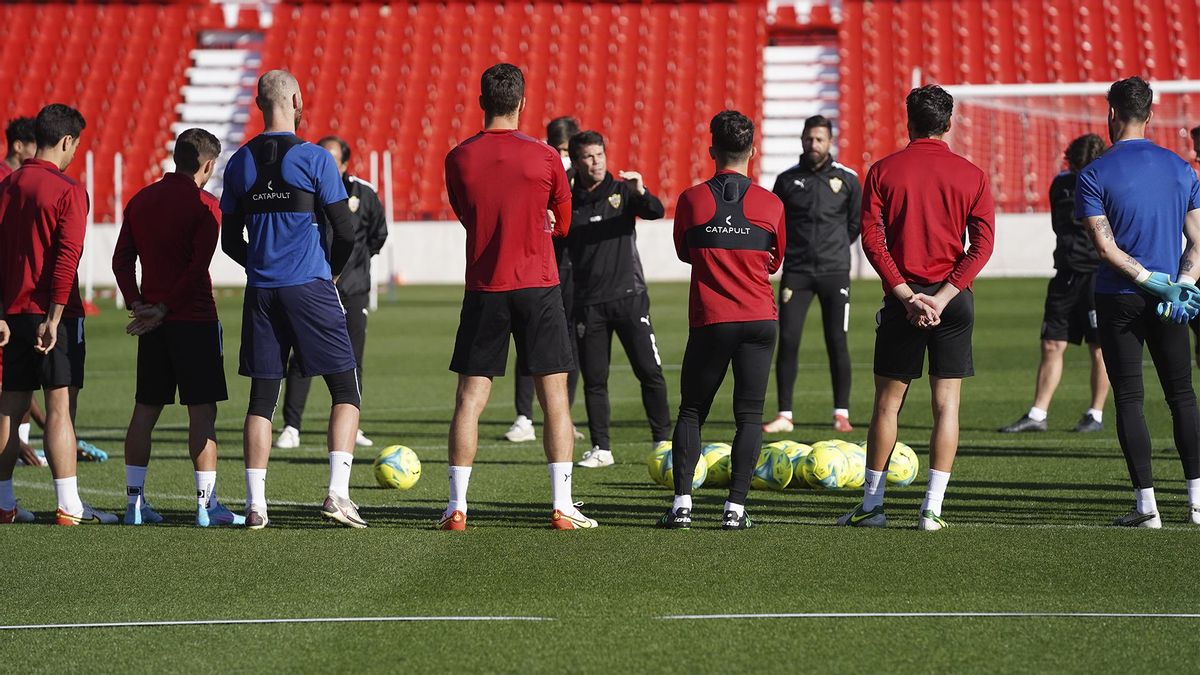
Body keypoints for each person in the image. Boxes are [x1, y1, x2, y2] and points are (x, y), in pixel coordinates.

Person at [442, 63, 595, 530]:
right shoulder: (547, 156)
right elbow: (564, 224)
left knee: (470, 398)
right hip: (538, 285)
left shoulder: (458, 158)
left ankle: (457, 506)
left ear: (482, 101)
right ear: (522, 103)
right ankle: (562, 505)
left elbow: (467, 216)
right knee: (555, 399)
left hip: (485, 286)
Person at [841, 85, 995, 531]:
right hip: (952, 301)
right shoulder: (972, 174)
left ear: (908, 122)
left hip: (903, 300)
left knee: (888, 406)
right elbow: (981, 246)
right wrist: (944, 297)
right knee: (946, 406)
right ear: (948, 124)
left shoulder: (883, 170)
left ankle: (873, 506)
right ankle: (932, 509)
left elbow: (872, 238)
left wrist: (907, 295)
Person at [220, 70, 366, 530]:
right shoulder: (316, 158)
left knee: (262, 397)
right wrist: (333, 270)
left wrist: (259, 263)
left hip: (262, 290)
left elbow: (229, 241)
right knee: (345, 389)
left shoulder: (239, 162)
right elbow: (345, 230)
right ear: (297, 100)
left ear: (260, 103)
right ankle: (337, 495)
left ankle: (256, 506)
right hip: (310, 286)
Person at [1078, 77, 1200, 528]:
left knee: (1129, 397)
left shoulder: (1093, 172)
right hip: (1172, 301)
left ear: (1111, 114)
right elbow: (1198, 240)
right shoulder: (1181, 168)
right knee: (1182, 395)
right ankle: (1196, 503)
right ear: (1150, 116)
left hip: (1120, 298)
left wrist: (1154, 282)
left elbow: (1106, 249)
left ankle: (1147, 507)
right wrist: (1182, 284)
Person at [659, 110, 786, 530]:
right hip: (758, 319)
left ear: (711, 150)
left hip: (712, 319)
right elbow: (774, 261)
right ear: (752, 150)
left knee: (692, 411)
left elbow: (684, 252)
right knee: (749, 416)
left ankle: (682, 506)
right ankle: (735, 509)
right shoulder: (771, 204)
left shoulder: (691, 200)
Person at [112, 128, 244, 527]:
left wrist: (140, 304)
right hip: (194, 320)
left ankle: (134, 504)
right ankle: (206, 506)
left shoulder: (141, 200)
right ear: (207, 164)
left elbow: (121, 261)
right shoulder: (206, 206)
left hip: (153, 323)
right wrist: (166, 307)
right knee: (201, 413)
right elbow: (196, 267)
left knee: (145, 411)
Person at [0, 104, 116, 525]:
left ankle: (4, 502)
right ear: (67, 141)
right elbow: (67, 257)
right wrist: (54, 315)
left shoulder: (8, 185)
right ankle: (69, 505)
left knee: (10, 408)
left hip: (12, 312)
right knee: (60, 408)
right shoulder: (67, 189)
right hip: (55, 315)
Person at [566, 130, 672, 469]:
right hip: (588, 304)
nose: (596, 162)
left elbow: (655, 210)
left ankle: (663, 442)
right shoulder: (568, 200)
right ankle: (602, 448)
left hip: (630, 298)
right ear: (577, 161)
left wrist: (642, 190)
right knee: (595, 380)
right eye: (588, 157)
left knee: (650, 372)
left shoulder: (623, 191)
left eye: (600, 155)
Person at [275, 135, 388, 451]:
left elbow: (378, 234)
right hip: (312, 286)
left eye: (332, 159)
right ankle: (291, 426)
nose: (324, 164)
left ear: (344, 163)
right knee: (301, 357)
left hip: (352, 290)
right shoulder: (304, 191)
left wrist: (355, 267)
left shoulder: (363, 194)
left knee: (353, 358)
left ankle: (352, 425)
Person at [1000, 134, 1110, 434]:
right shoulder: (1060, 185)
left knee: (1099, 347)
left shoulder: (1108, 184)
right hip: (1065, 274)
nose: (1078, 174)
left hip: (1097, 275)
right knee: (1051, 343)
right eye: (1075, 167)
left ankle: (1095, 414)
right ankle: (1037, 414)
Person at [763, 114, 861, 434]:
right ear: (802, 140)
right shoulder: (787, 180)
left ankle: (841, 412)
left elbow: (854, 223)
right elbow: (775, 224)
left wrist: (833, 250)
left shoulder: (848, 179)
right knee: (788, 339)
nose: (813, 144)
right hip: (797, 272)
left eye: (819, 139)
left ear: (830, 142)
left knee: (837, 340)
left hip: (835, 272)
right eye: (809, 138)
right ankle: (785, 414)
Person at [504, 116, 583, 444]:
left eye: (568, 149)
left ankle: (566, 415)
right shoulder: (542, 171)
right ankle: (524, 416)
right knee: (527, 341)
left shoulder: (585, 178)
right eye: (559, 148)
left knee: (570, 344)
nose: (564, 155)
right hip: (540, 267)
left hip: (574, 269)